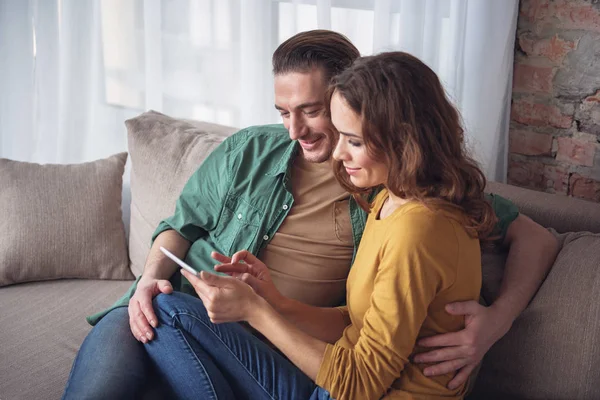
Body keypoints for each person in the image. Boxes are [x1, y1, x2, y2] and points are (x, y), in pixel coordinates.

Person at [62, 31, 558, 399]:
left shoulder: (407, 195)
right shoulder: (256, 153)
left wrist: (495, 323)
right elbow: (180, 224)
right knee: (138, 341)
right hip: (188, 304)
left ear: (360, 103)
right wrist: (152, 280)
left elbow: (535, 238)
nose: (295, 129)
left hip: (276, 347)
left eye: (313, 111)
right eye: (282, 112)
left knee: (169, 323)